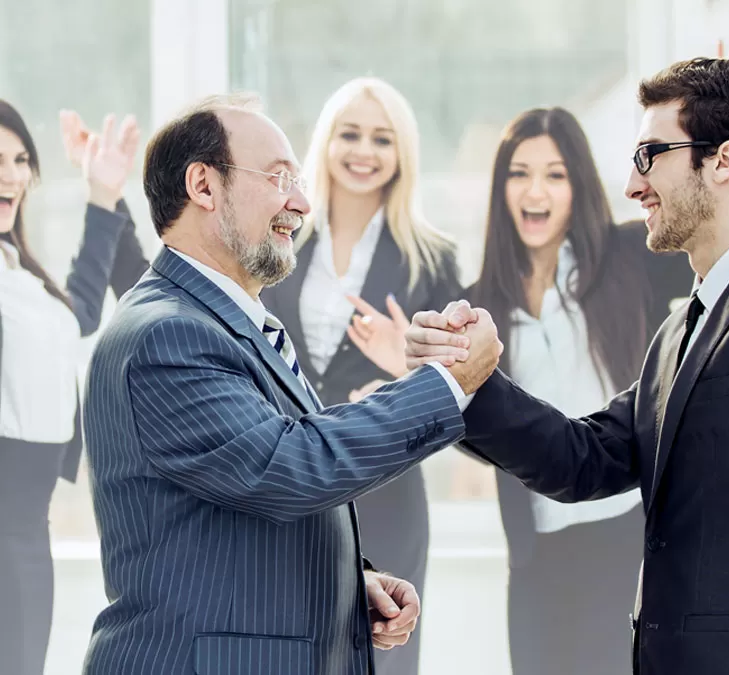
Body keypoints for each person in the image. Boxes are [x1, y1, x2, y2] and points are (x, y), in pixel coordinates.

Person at [405, 57, 729, 675]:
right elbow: (583, 459)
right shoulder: (678, 332)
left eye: (650, 154)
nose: (633, 186)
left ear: (723, 161)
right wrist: (475, 381)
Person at [80, 93, 501, 675]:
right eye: (279, 178)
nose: (301, 203)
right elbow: (292, 465)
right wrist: (446, 383)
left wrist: (345, 585)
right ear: (203, 186)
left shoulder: (224, 323)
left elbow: (222, 514)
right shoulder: (168, 336)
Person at [353, 105, 693, 673]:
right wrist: (419, 376)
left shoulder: (633, 257)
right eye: (519, 173)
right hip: (539, 553)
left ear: (577, 185)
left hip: (633, 535)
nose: (535, 190)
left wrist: (712, 147)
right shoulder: (481, 299)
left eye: (555, 174)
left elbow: (718, 243)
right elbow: (486, 433)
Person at [260, 77, 460, 675]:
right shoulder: (278, 241)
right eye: (349, 134)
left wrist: (405, 375)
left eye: (382, 138)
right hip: (284, 487)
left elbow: (469, 388)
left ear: (403, 154)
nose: (364, 151)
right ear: (324, 143)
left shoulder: (433, 259)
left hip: (386, 494)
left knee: (383, 658)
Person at [0, 101, 142, 675]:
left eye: (19, 159)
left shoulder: (16, 271)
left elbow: (77, 313)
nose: (10, 173)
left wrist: (103, 195)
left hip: (28, 532)